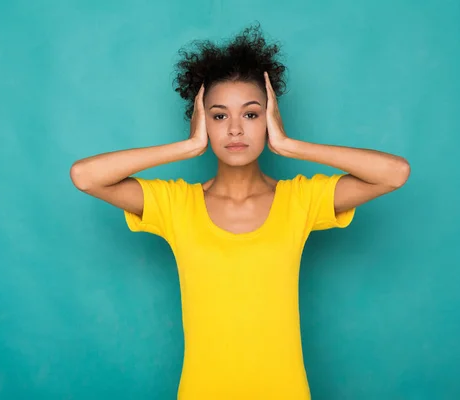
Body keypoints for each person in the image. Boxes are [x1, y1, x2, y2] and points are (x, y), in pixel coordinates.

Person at [70, 24, 410, 400]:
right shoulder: (175, 204)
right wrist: (187, 148)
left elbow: (395, 174)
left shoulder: (300, 199)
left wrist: (291, 145)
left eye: (250, 115)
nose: (234, 129)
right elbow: (85, 177)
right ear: (202, 121)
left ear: (270, 118)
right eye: (218, 116)